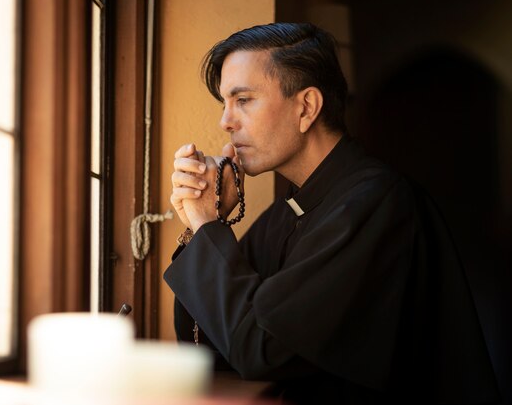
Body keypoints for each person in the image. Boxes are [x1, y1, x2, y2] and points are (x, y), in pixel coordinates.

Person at [164, 23, 499, 404]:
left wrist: (208, 226)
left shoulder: (375, 204)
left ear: (306, 107)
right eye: (224, 103)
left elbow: (260, 350)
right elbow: (211, 343)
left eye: (243, 100)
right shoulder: (290, 210)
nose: (226, 121)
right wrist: (203, 224)